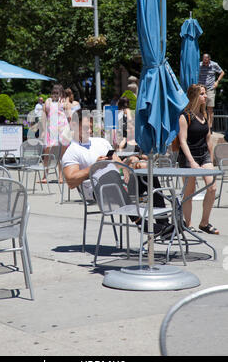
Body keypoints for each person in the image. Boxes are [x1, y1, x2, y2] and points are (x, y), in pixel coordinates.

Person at [62, 109, 172, 236]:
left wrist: (128, 164)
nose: (90, 131)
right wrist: (95, 167)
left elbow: (118, 163)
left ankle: (163, 222)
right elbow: (71, 181)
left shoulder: (101, 142)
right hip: (98, 192)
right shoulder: (72, 151)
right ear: (74, 125)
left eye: (91, 127)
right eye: (86, 127)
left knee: (147, 174)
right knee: (110, 176)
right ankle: (141, 222)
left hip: (119, 185)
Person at [178, 83, 218, 234]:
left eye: (205, 93)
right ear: (194, 96)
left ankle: (204, 223)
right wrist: (192, 162)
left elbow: (208, 139)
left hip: (204, 155)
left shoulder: (205, 115)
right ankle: (188, 224)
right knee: (189, 192)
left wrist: (211, 159)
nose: (205, 96)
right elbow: (182, 141)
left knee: (212, 187)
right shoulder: (185, 116)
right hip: (188, 156)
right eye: (202, 93)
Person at [42, 84, 71, 183]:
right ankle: (60, 177)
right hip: (61, 128)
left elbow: (45, 115)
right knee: (60, 155)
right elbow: (69, 117)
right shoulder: (64, 102)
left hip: (54, 129)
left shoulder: (48, 101)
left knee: (48, 153)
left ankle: (46, 177)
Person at [198, 53, 225, 131]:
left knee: (210, 109)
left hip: (210, 88)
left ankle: (210, 127)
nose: (205, 63)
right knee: (201, 108)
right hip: (201, 89)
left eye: (206, 61)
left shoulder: (214, 65)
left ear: (209, 59)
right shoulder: (199, 65)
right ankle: (203, 125)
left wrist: (217, 82)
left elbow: (222, 72)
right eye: (204, 61)